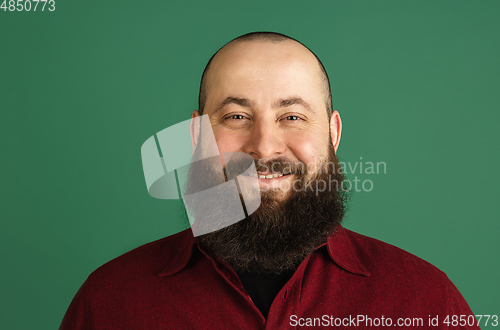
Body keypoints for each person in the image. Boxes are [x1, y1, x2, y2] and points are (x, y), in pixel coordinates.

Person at [60, 32, 478, 329]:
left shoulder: (427, 301)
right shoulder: (108, 303)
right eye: (237, 117)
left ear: (332, 134)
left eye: (292, 117)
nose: (264, 146)